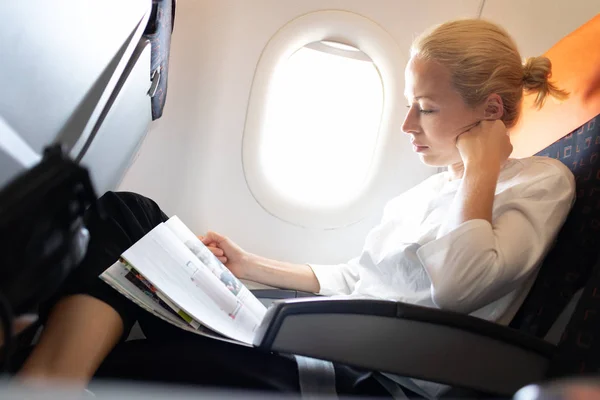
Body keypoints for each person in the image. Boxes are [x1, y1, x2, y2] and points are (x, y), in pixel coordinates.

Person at [16, 18, 575, 396]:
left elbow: (460, 284)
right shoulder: (430, 190)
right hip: (329, 337)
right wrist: (250, 265)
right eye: (409, 105)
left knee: (116, 367)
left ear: (491, 110)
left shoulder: (541, 182)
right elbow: (360, 279)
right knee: (127, 214)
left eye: (425, 109)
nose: (407, 126)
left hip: (373, 375)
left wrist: (481, 168)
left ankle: (39, 384)